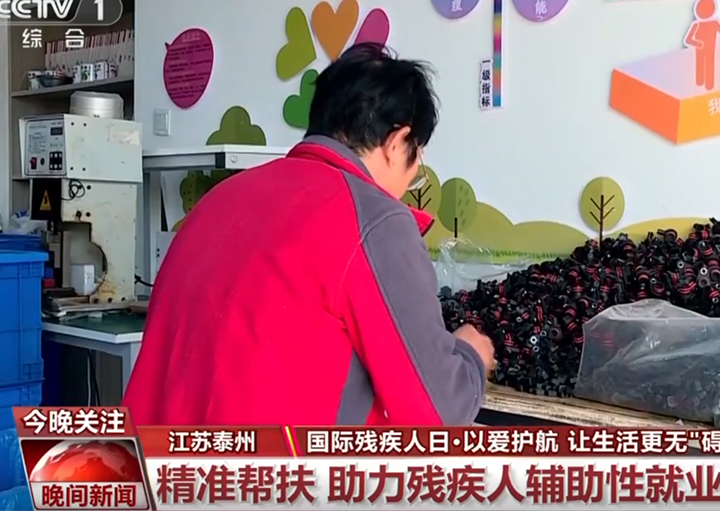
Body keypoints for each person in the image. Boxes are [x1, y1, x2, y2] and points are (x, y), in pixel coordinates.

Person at [123, 43, 496, 426]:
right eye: (417, 158)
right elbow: (436, 412)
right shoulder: (375, 218)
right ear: (396, 142)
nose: (412, 176)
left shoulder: (217, 200)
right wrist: (471, 356)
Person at [685, 0, 720, 91]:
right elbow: (688, 39)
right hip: (701, 49)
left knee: (709, 64)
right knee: (701, 64)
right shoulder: (697, 24)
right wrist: (698, 44)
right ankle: (700, 82)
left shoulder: (712, 23)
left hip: (709, 49)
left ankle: (708, 84)